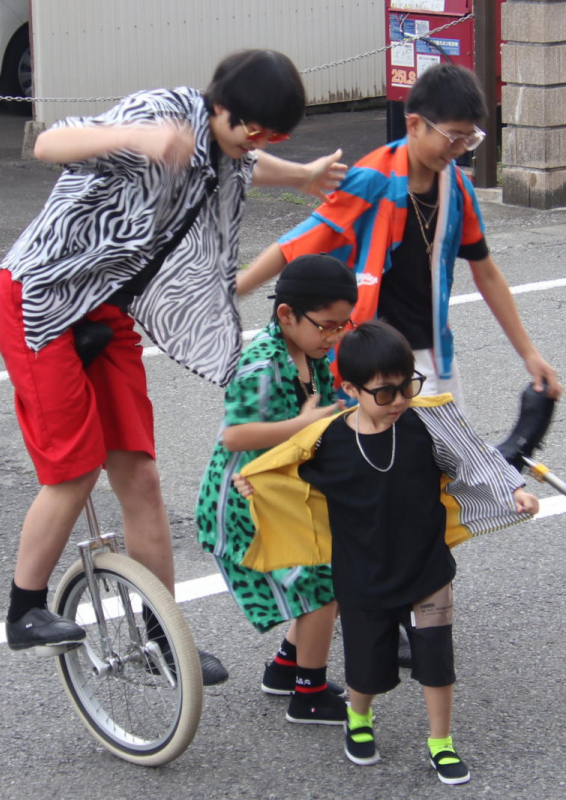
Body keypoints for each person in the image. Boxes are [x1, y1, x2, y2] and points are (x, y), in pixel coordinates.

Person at [0, 49, 347, 687]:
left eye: (275, 136)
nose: (260, 144)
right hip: (42, 298)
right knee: (74, 470)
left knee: (141, 474)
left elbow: (240, 163)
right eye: (257, 131)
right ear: (223, 109)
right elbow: (52, 142)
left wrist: (300, 175)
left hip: (106, 306)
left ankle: (160, 635)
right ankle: (23, 608)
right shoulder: (159, 112)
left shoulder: (229, 144)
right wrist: (140, 137)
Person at [235, 320, 540, 785]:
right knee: (366, 663)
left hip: (426, 567)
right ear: (352, 388)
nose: (399, 400)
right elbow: (281, 469)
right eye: (385, 392)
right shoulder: (327, 440)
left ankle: (441, 741)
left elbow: (474, 455)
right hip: (360, 576)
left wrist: (512, 488)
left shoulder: (427, 422)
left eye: (407, 386)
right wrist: (250, 481)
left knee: (436, 657)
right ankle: (359, 719)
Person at [236, 63, 563, 405]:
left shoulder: (457, 189)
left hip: (436, 353)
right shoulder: (372, 181)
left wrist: (529, 354)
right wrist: (231, 293)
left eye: (470, 138)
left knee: (449, 453)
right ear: (414, 124)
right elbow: (295, 245)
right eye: (453, 136)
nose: (460, 148)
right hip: (376, 362)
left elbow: (487, 272)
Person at [196, 254, 358, 724]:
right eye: (326, 326)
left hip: (277, 494)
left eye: (341, 326)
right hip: (241, 504)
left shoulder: (310, 354)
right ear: (286, 314)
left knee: (337, 567)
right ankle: (308, 694)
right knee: (322, 582)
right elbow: (234, 435)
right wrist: (301, 423)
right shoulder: (261, 365)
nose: (333, 336)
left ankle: (288, 667)